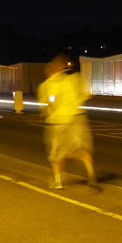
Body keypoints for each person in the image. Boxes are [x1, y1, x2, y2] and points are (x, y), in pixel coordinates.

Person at [37, 54, 96, 190]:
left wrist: (46, 111)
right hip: (78, 117)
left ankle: (58, 180)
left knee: (56, 153)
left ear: (51, 70)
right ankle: (90, 173)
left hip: (58, 121)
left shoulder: (49, 83)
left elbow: (51, 100)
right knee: (82, 147)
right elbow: (86, 95)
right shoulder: (77, 77)